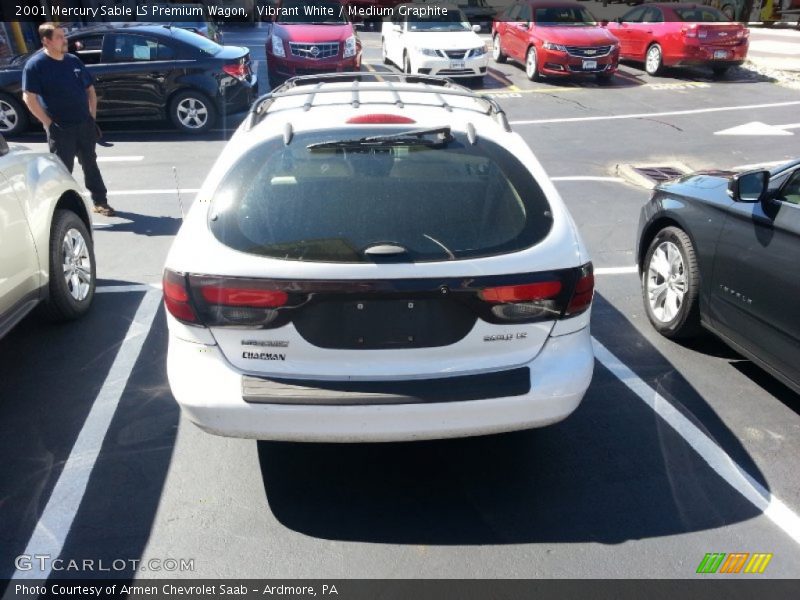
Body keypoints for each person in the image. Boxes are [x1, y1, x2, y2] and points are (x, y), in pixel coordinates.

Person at [22, 23, 115, 216]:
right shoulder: (36, 65)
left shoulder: (73, 61)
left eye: (64, 36)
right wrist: (48, 124)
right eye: (59, 37)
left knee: (90, 164)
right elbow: (28, 97)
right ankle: (63, 210)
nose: (65, 40)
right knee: (62, 172)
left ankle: (100, 201)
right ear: (46, 41)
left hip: (84, 124)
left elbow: (90, 90)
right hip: (60, 129)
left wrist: (92, 117)